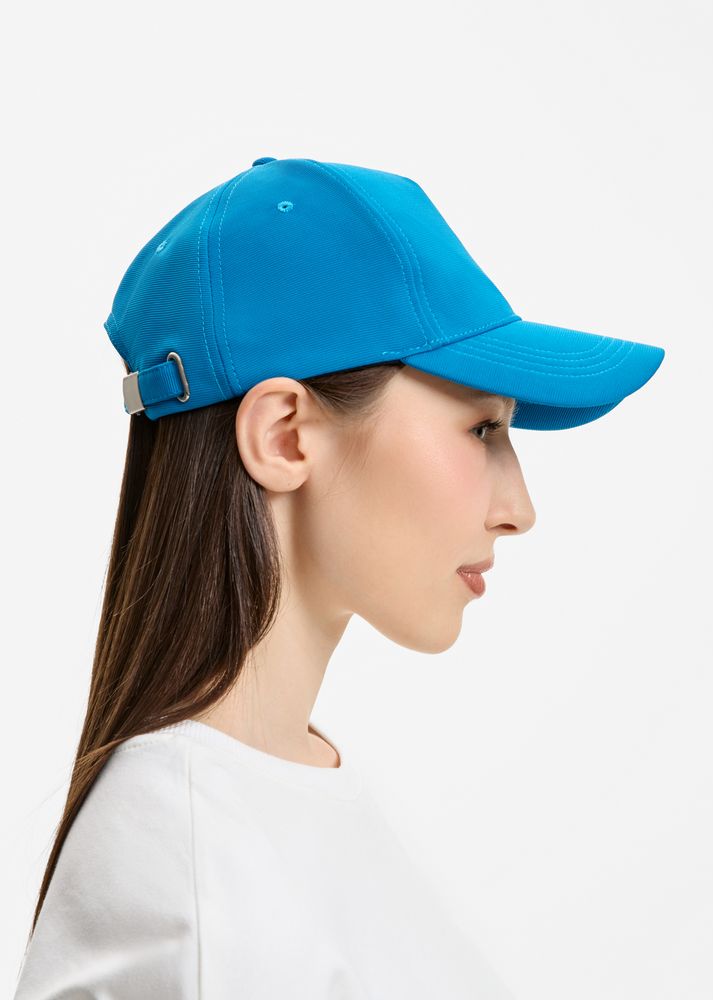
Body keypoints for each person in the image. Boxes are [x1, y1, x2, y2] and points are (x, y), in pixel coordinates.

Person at [13, 156, 665, 999]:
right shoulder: (192, 878)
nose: (520, 509)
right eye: (482, 430)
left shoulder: (279, 793)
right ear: (285, 436)